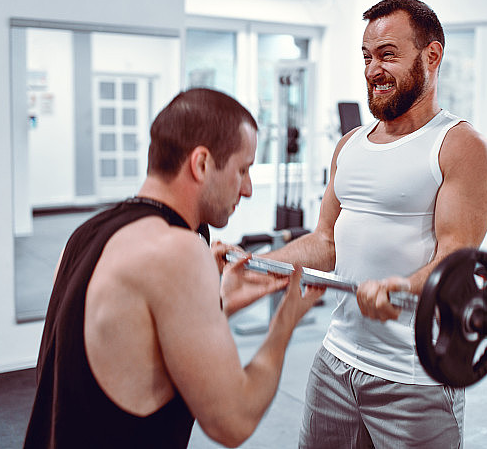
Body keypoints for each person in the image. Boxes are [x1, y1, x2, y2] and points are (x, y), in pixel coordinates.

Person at [23, 88, 324, 448]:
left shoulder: (84, 236)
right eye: (242, 170)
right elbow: (235, 421)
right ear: (201, 163)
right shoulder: (178, 250)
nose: (247, 189)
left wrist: (220, 302)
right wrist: (285, 322)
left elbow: (129, 348)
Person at [264, 0, 487, 448]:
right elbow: (325, 242)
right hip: (336, 360)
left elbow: (456, 256)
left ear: (432, 56)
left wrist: (402, 286)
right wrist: (256, 264)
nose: (373, 70)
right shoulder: (349, 145)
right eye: (367, 57)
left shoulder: (460, 146)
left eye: (388, 54)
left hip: (414, 375)